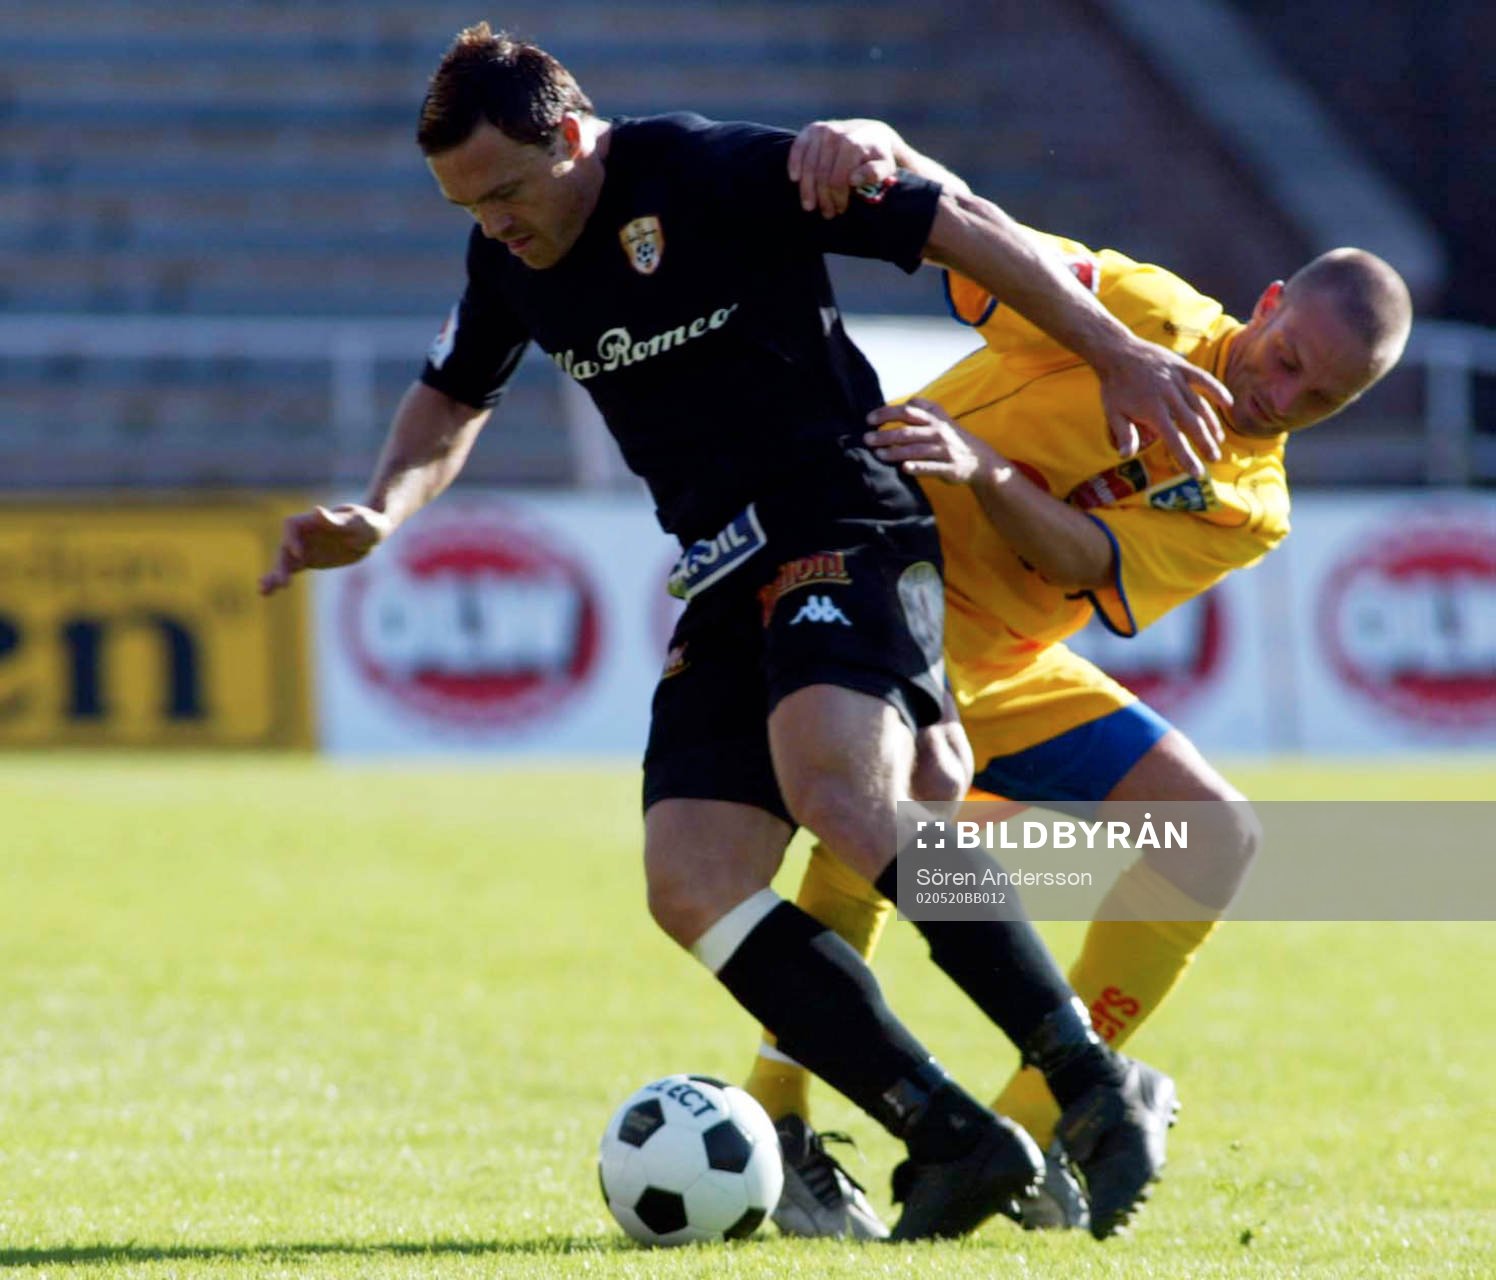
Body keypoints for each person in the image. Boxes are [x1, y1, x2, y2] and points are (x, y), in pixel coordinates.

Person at [259, 27, 1233, 1242]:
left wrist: (1118, 352)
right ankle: (950, 1133)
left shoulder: (709, 173)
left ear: (572, 136)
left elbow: (948, 224)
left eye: (506, 190)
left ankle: (1089, 1084)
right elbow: (455, 392)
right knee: (692, 882)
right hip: (722, 573)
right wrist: (384, 507)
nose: (494, 222)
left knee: (836, 780)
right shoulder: (505, 254)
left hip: (845, 515)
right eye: (467, 203)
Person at [742, 118, 1413, 1237]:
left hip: (1000, 660)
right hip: (875, 587)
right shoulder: (1139, 310)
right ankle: (780, 1115)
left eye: (1319, 403)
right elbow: (985, 237)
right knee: (883, 814)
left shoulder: (1251, 502)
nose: (1280, 400)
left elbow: (1080, 561)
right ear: (1268, 299)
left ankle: (1042, 1113)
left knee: (1210, 834)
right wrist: (885, 146)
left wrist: (986, 470)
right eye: (1287, 359)